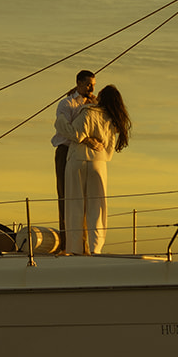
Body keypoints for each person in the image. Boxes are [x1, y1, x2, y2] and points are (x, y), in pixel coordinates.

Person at [63, 84, 131, 254]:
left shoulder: (88, 112)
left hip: (78, 160)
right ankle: (96, 248)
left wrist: (60, 122)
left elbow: (77, 134)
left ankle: (76, 248)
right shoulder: (111, 119)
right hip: (99, 163)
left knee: (75, 205)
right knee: (97, 207)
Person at [51, 70, 95, 242]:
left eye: (93, 84)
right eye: (88, 84)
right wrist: (86, 139)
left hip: (83, 153)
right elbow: (66, 129)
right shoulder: (67, 103)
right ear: (78, 83)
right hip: (66, 150)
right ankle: (66, 241)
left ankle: (83, 241)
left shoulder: (94, 104)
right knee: (65, 195)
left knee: (84, 196)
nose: (91, 88)